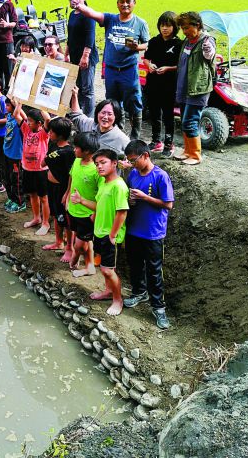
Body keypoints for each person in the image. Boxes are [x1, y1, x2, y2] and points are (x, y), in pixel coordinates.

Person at [73, 0, 149, 140]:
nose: (125, 4)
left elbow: (146, 44)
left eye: (128, 1)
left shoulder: (140, 23)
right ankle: (117, 133)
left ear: (134, 3)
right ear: (117, 3)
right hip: (112, 70)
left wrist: (136, 47)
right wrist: (80, 5)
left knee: (134, 102)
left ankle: (135, 136)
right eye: (122, 1)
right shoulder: (110, 19)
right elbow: (93, 14)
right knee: (113, 103)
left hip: (129, 70)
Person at [70, 148, 129, 316]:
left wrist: (112, 235)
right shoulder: (104, 183)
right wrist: (82, 201)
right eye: (97, 164)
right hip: (99, 231)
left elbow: (122, 212)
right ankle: (108, 291)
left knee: (108, 270)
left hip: (109, 235)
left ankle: (118, 300)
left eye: (103, 163)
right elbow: (98, 204)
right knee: (105, 267)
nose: (99, 167)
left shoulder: (118, 186)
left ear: (114, 163)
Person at [123, 140, 174, 329]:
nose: (132, 164)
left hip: (153, 232)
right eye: (129, 160)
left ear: (145, 156)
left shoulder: (161, 176)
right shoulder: (134, 174)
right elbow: (128, 195)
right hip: (134, 228)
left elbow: (168, 204)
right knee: (135, 264)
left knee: (154, 270)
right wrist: (132, 199)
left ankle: (158, 307)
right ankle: (138, 293)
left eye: (134, 160)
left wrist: (145, 197)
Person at [173, 11, 216, 166]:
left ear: (197, 25)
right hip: (185, 87)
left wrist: (207, 49)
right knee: (184, 120)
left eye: (186, 28)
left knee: (190, 121)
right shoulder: (187, 40)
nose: (184, 31)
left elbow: (210, 55)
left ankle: (196, 155)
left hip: (198, 89)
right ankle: (187, 151)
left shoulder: (207, 40)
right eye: (182, 28)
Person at [144, 12, 181, 157]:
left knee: (167, 115)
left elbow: (181, 66)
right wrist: (150, 65)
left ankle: (168, 143)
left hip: (169, 86)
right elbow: (146, 59)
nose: (164, 28)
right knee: (154, 113)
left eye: (168, 25)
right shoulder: (154, 41)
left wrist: (167, 68)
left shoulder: (179, 44)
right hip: (153, 83)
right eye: (162, 25)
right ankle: (156, 140)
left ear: (174, 27)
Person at [13, 99, 51, 236]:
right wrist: (19, 104)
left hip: (41, 171)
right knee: (32, 195)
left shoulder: (43, 133)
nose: (27, 123)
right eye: (27, 120)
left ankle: (45, 223)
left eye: (30, 121)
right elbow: (16, 115)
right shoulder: (26, 130)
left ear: (39, 124)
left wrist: (40, 104)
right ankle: (36, 218)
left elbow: (48, 120)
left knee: (44, 197)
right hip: (27, 168)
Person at [64, 131, 100, 276]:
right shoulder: (77, 161)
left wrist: (96, 213)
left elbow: (100, 196)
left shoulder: (96, 170)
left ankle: (74, 260)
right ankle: (90, 266)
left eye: (77, 147)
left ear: (87, 151)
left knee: (79, 244)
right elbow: (71, 178)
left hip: (87, 214)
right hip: (73, 209)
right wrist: (66, 195)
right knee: (85, 240)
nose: (74, 149)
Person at [42, 117, 75, 254]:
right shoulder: (52, 144)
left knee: (66, 219)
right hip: (51, 186)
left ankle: (69, 247)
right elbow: (43, 163)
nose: (49, 133)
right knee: (55, 214)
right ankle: (58, 241)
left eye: (52, 131)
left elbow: (71, 175)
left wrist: (67, 194)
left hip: (62, 189)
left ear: (60, 134)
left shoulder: (69, 152)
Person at [67, 87, 129, 158]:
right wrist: (74, 95)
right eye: (103, 113)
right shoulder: (89, 124)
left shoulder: (122, 139)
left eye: (109, 114)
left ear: (116, 117)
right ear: (97, 113)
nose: (105, 117)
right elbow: (77, 115)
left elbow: (134, 157)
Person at [67, 0, 98, 115]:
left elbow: (90, 36)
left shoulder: (88, 14)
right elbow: (70, 35)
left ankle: (89, 120)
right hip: (74, 57)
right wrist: (66, 53)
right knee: (77, 87)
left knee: (87, 89)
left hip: (87, 58)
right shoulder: (72, 14)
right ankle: (78, 115)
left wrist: (85, 56)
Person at [2, 96, 24, 213]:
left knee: (17, 180)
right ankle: (11, 198)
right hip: (7, 152)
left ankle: (20, 202)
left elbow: (22, 117)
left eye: (8, 105)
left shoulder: (19, 120)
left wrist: (18, 104)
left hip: (16, 155)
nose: (6, 107)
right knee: (7, 178)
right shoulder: (9, 116)